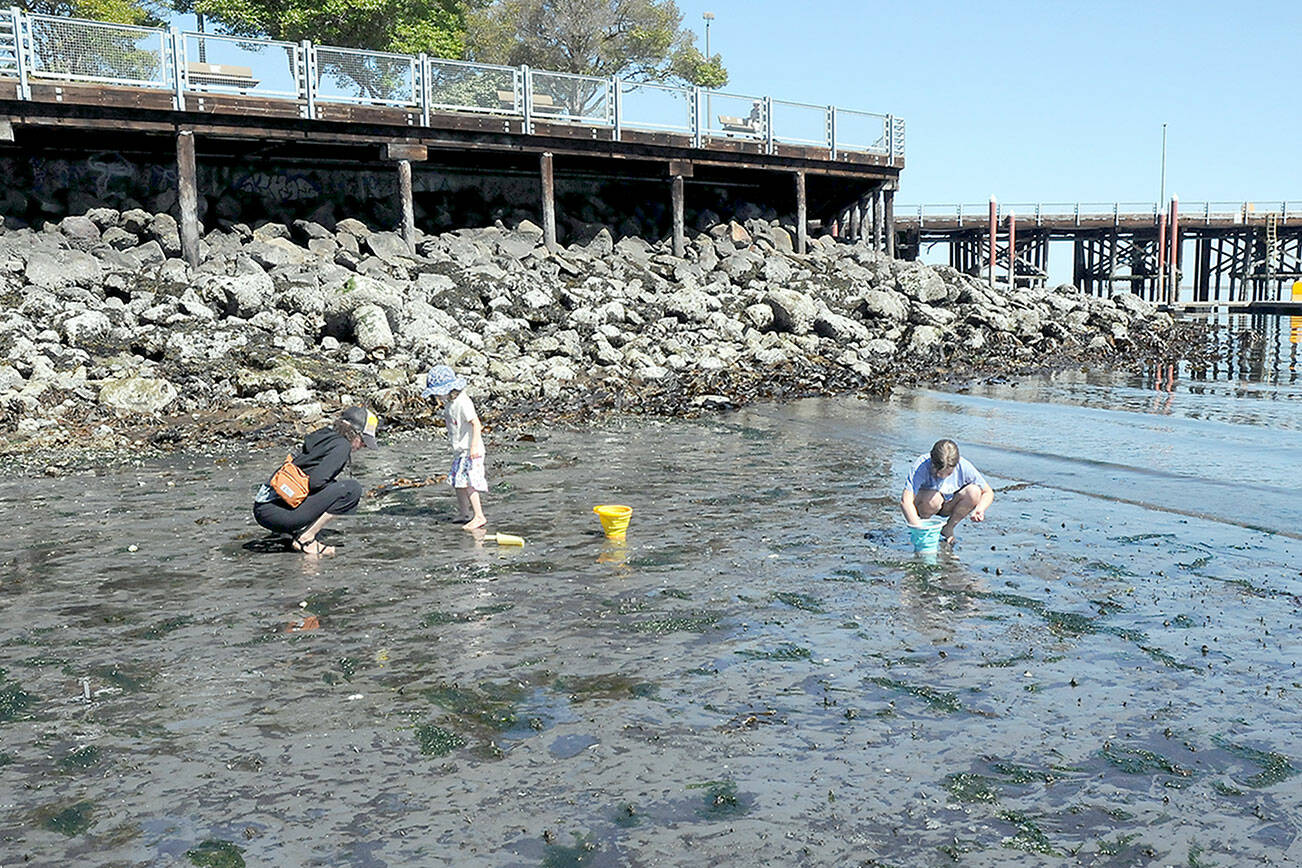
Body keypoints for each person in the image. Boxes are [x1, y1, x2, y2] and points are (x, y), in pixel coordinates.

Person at [252, 406, 379, 557]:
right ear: (354, 433)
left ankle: (289, 531)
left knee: (333, 486)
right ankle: (305, 539)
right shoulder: (342, 446)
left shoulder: (324, 435)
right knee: (351, 489)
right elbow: (316, 482)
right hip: (277, 514)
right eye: (364, 441)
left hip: (263, 507)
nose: (363, 446)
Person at [422, 364, 487, 530]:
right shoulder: (450, 404)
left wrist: (473, 446)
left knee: (469, 482)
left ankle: (479, 516)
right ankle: (464, 513)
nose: (437, 397)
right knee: (458, 482)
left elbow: (476, 423)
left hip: (471, 450)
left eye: (438, 393)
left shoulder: (463, 402)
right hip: (460, 451)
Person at [900, 439, 993, 546]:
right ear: (932, 463)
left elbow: (988, 492)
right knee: (933, 499)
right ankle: (924, 526)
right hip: (927, 504)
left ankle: (948, 528)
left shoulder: (963, 466)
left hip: (950, 503)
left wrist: (980, 509)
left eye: (948, 474)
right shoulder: (921, 466)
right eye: (938, 473)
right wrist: (918, 529)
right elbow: (905, 501)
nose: (943, 477)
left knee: (974, 492)